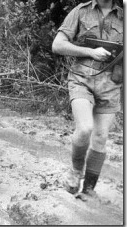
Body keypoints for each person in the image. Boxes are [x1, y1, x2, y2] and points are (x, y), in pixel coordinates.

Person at [52, 0, 122, 198]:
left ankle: (88, 190)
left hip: (111, 84)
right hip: (82, 79)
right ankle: (75, 171)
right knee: (84, 129)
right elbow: (58, 45)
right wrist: (90, 52)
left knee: (101, 138)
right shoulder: (80, 12)